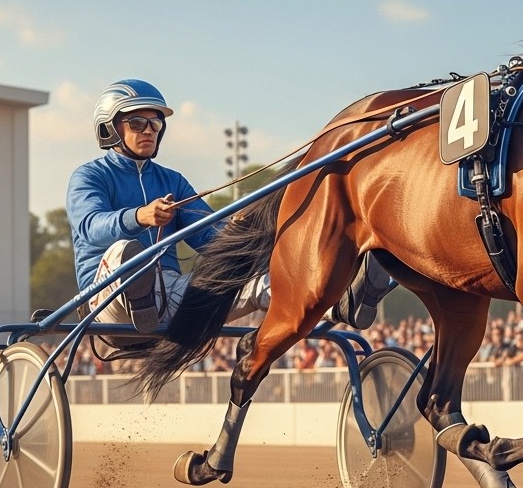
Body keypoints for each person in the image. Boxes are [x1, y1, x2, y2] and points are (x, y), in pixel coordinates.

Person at [67, 79, 393, 356]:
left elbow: (210, 240)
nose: (149, 131)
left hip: (169, 296)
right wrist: (140, 216)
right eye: (137, 123)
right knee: (125, 252)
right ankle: (142, 309)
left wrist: (236, 232)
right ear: (110, 128)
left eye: (155, 123)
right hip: (105, 300)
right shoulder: (89, 177)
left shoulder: (172, 181)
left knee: (256, 282)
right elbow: (90, 228)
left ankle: (341, 303)